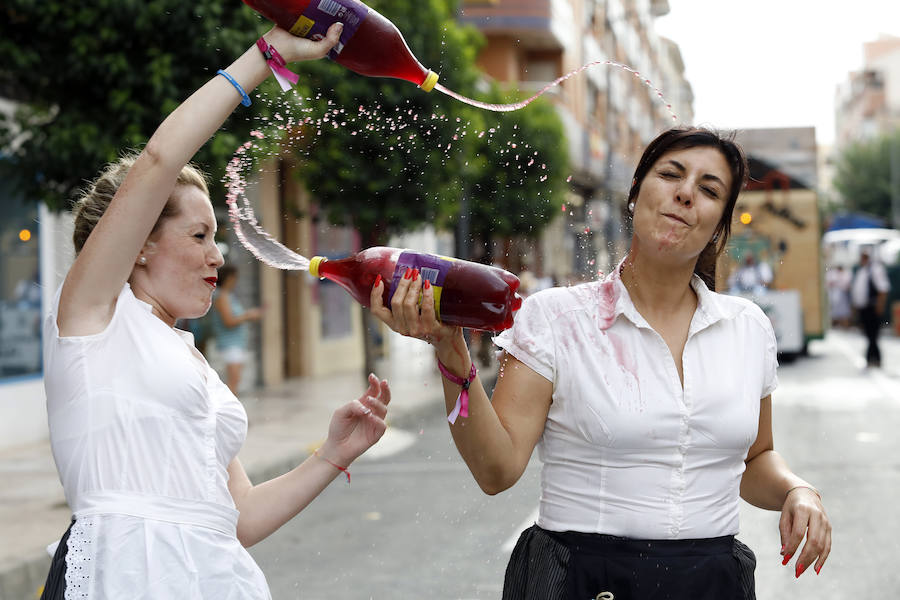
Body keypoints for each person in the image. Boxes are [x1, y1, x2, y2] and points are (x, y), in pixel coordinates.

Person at [372, 128, 831, 599]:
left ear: (719, 225)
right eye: (671, 174)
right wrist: (452, 353)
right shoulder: (554, 318)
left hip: (713, 581)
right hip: (583, 580)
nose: (686, 192)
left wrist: (798, 491)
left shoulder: (748, 328)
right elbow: (497, 469)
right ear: (634, 196)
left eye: (709, 189)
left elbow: (755, 458)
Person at [40, 23, 392, 599]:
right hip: (122, 575)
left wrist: (334, 454)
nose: (217, 254)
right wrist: (265, 55)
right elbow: (159, 159)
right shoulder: (93, 315)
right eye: (200, 235)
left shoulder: (189, 357)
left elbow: (240, 516)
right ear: (141, 244)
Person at [209, 263, 262, 394]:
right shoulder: (221, 296)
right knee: (233, 384)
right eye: (235, 278)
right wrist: (248, 315)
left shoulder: (228, 296)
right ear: (229, 278)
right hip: (229, 346)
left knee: (235, 382)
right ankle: (229, 413)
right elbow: (229, 321)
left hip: (236, 345)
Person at [850, 248, 891, 368]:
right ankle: (872, 358)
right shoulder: (863, 270)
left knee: (873, 334)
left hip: (872, 307)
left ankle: (873, 358)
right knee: (869, 334)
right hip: (864, 308)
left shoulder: (875, 269)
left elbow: (883, 289)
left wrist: (880, 305)